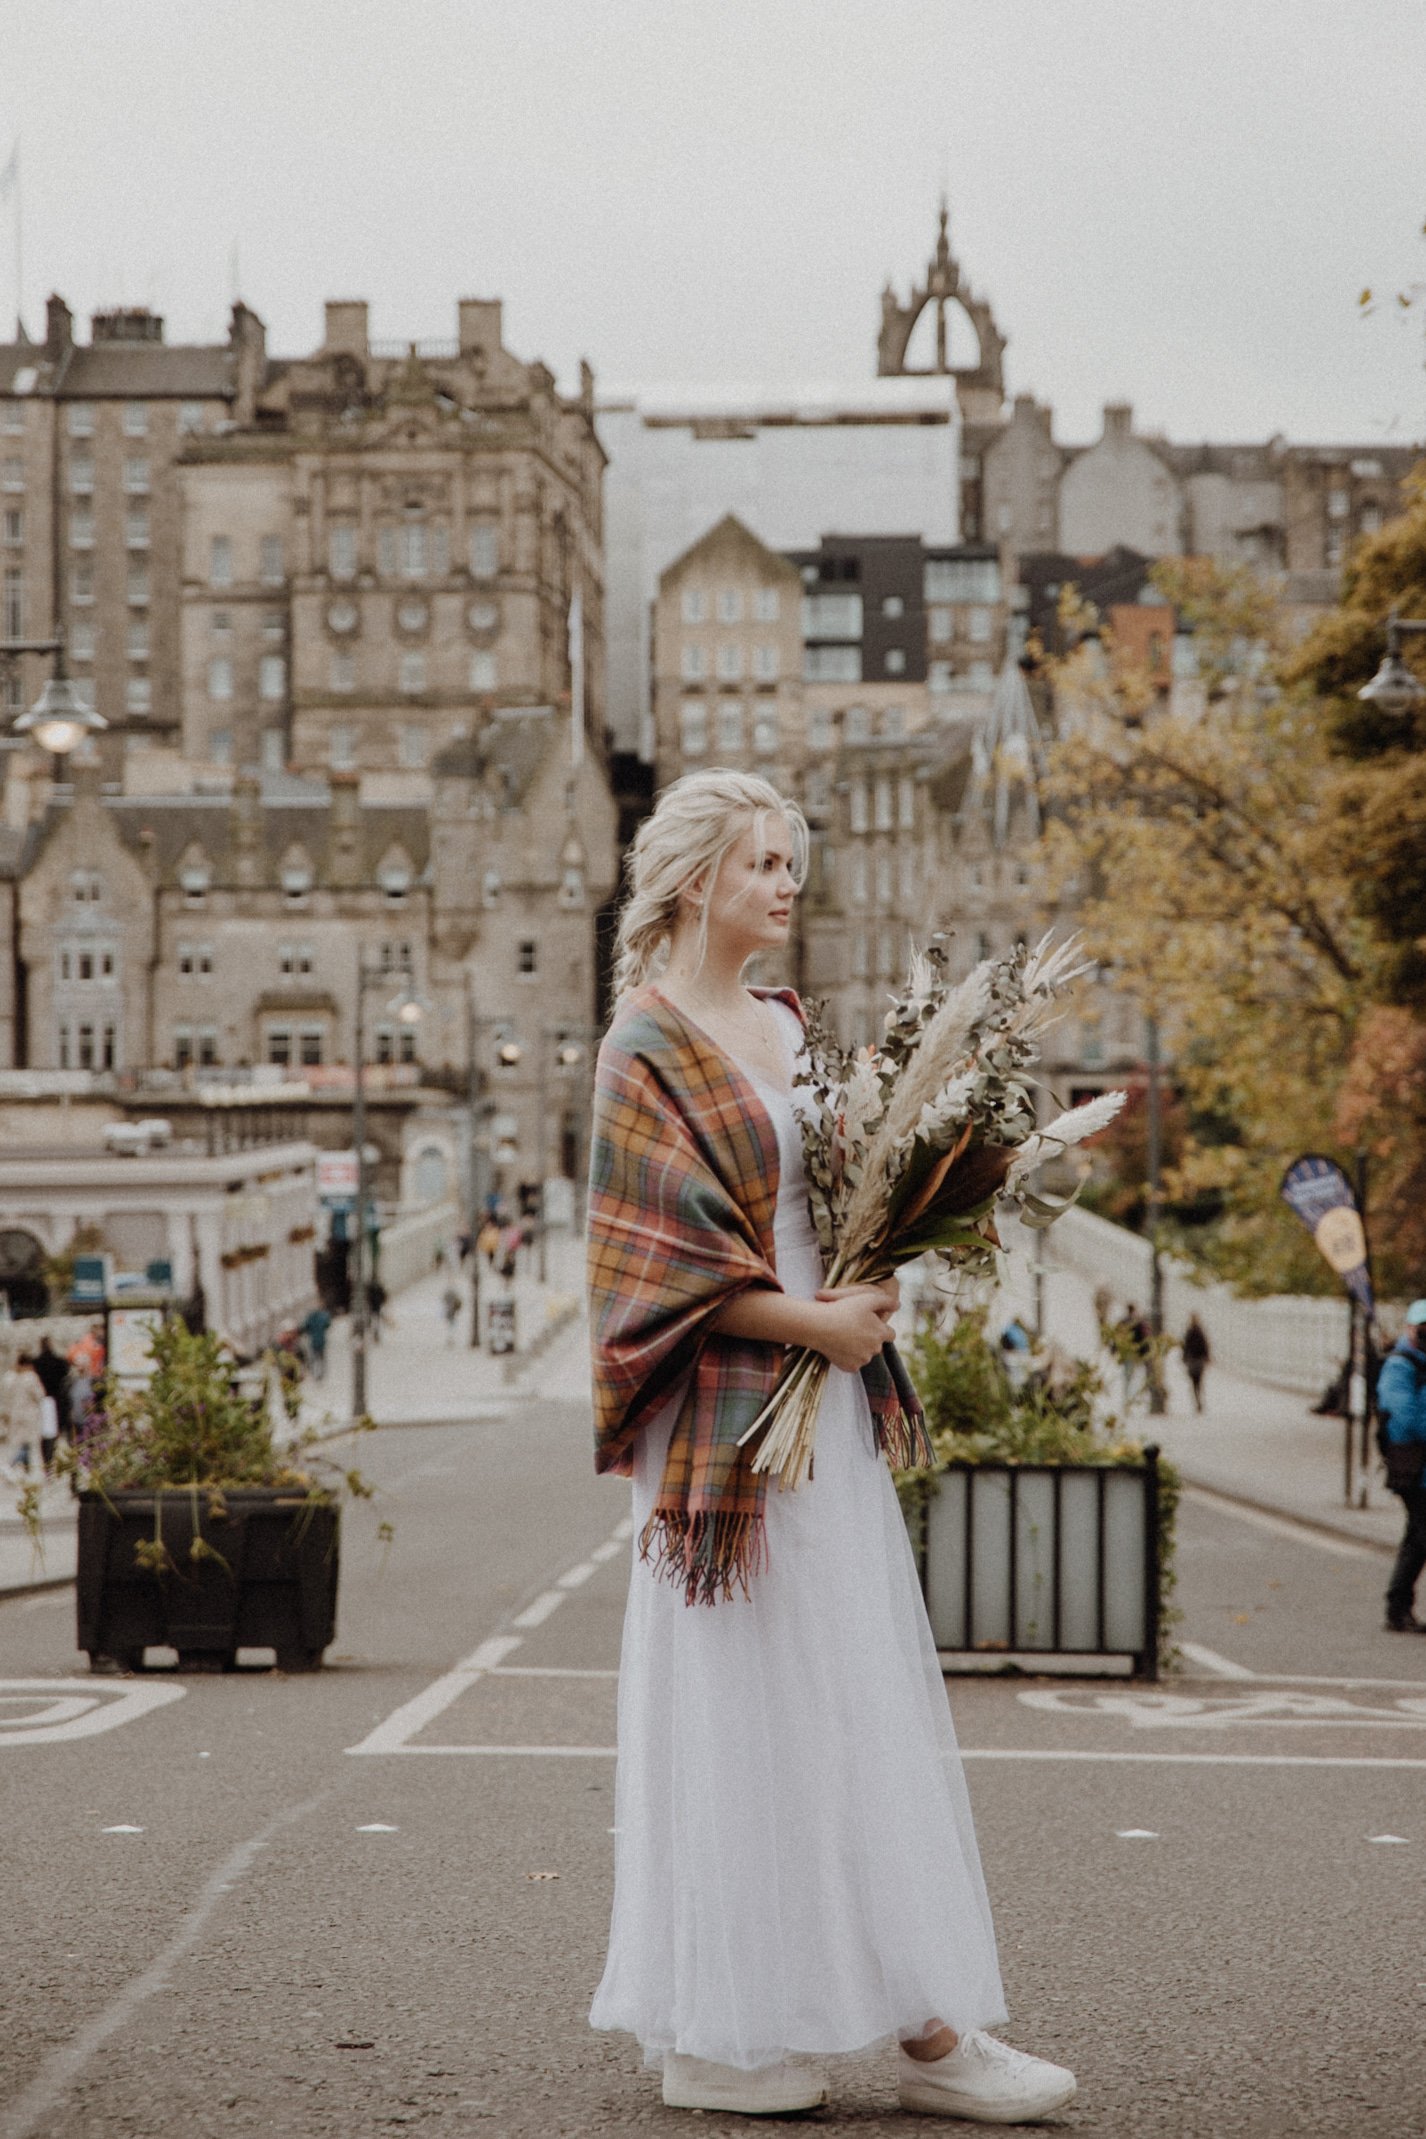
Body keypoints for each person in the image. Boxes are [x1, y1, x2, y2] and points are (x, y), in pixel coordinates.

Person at [586, 770, 1075, 2124]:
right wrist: (814, 1315)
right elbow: (642, 1273)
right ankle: (730, 2030)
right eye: (763, 862)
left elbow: (841, 1197)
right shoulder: (644, 1041)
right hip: (724, 1423)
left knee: (845, 1697)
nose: (788, 882)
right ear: (696, 881)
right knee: (742, 1711)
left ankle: (923, 2022)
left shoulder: (789, 1023)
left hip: (826, 1410)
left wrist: (879, 1271)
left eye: (792, 860)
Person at [1378, 1299, 1426, 1634]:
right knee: (1421, 1535)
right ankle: (1397, 1607)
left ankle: (1398, 1607)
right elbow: (1404, 1415)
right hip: (1412, 1467)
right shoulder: (1400, 1364)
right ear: (1410, 1328)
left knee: (1418, 1536)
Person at [1182, 1315, 1210, 1414]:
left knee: (1194, 1382)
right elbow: (1205, 1345)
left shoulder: (1189, 1332)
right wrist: (1207, 1357)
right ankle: (1199, 1401)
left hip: (1192, 1360)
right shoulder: (1200, 1331)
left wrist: (1184, 1358)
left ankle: (1197, 1400)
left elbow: (1185, 1347)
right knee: (1199, 1382)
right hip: (1198, 1360)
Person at [302, 1303, 332, 1383]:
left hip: (313, 1341)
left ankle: (314, 1374)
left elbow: (305, 1327)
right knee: (321, 1358)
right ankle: (321, 1373)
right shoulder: (322, 1317)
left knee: (313, 1358)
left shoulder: (310, 1318)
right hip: (321, 1341)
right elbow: (328, 1325)